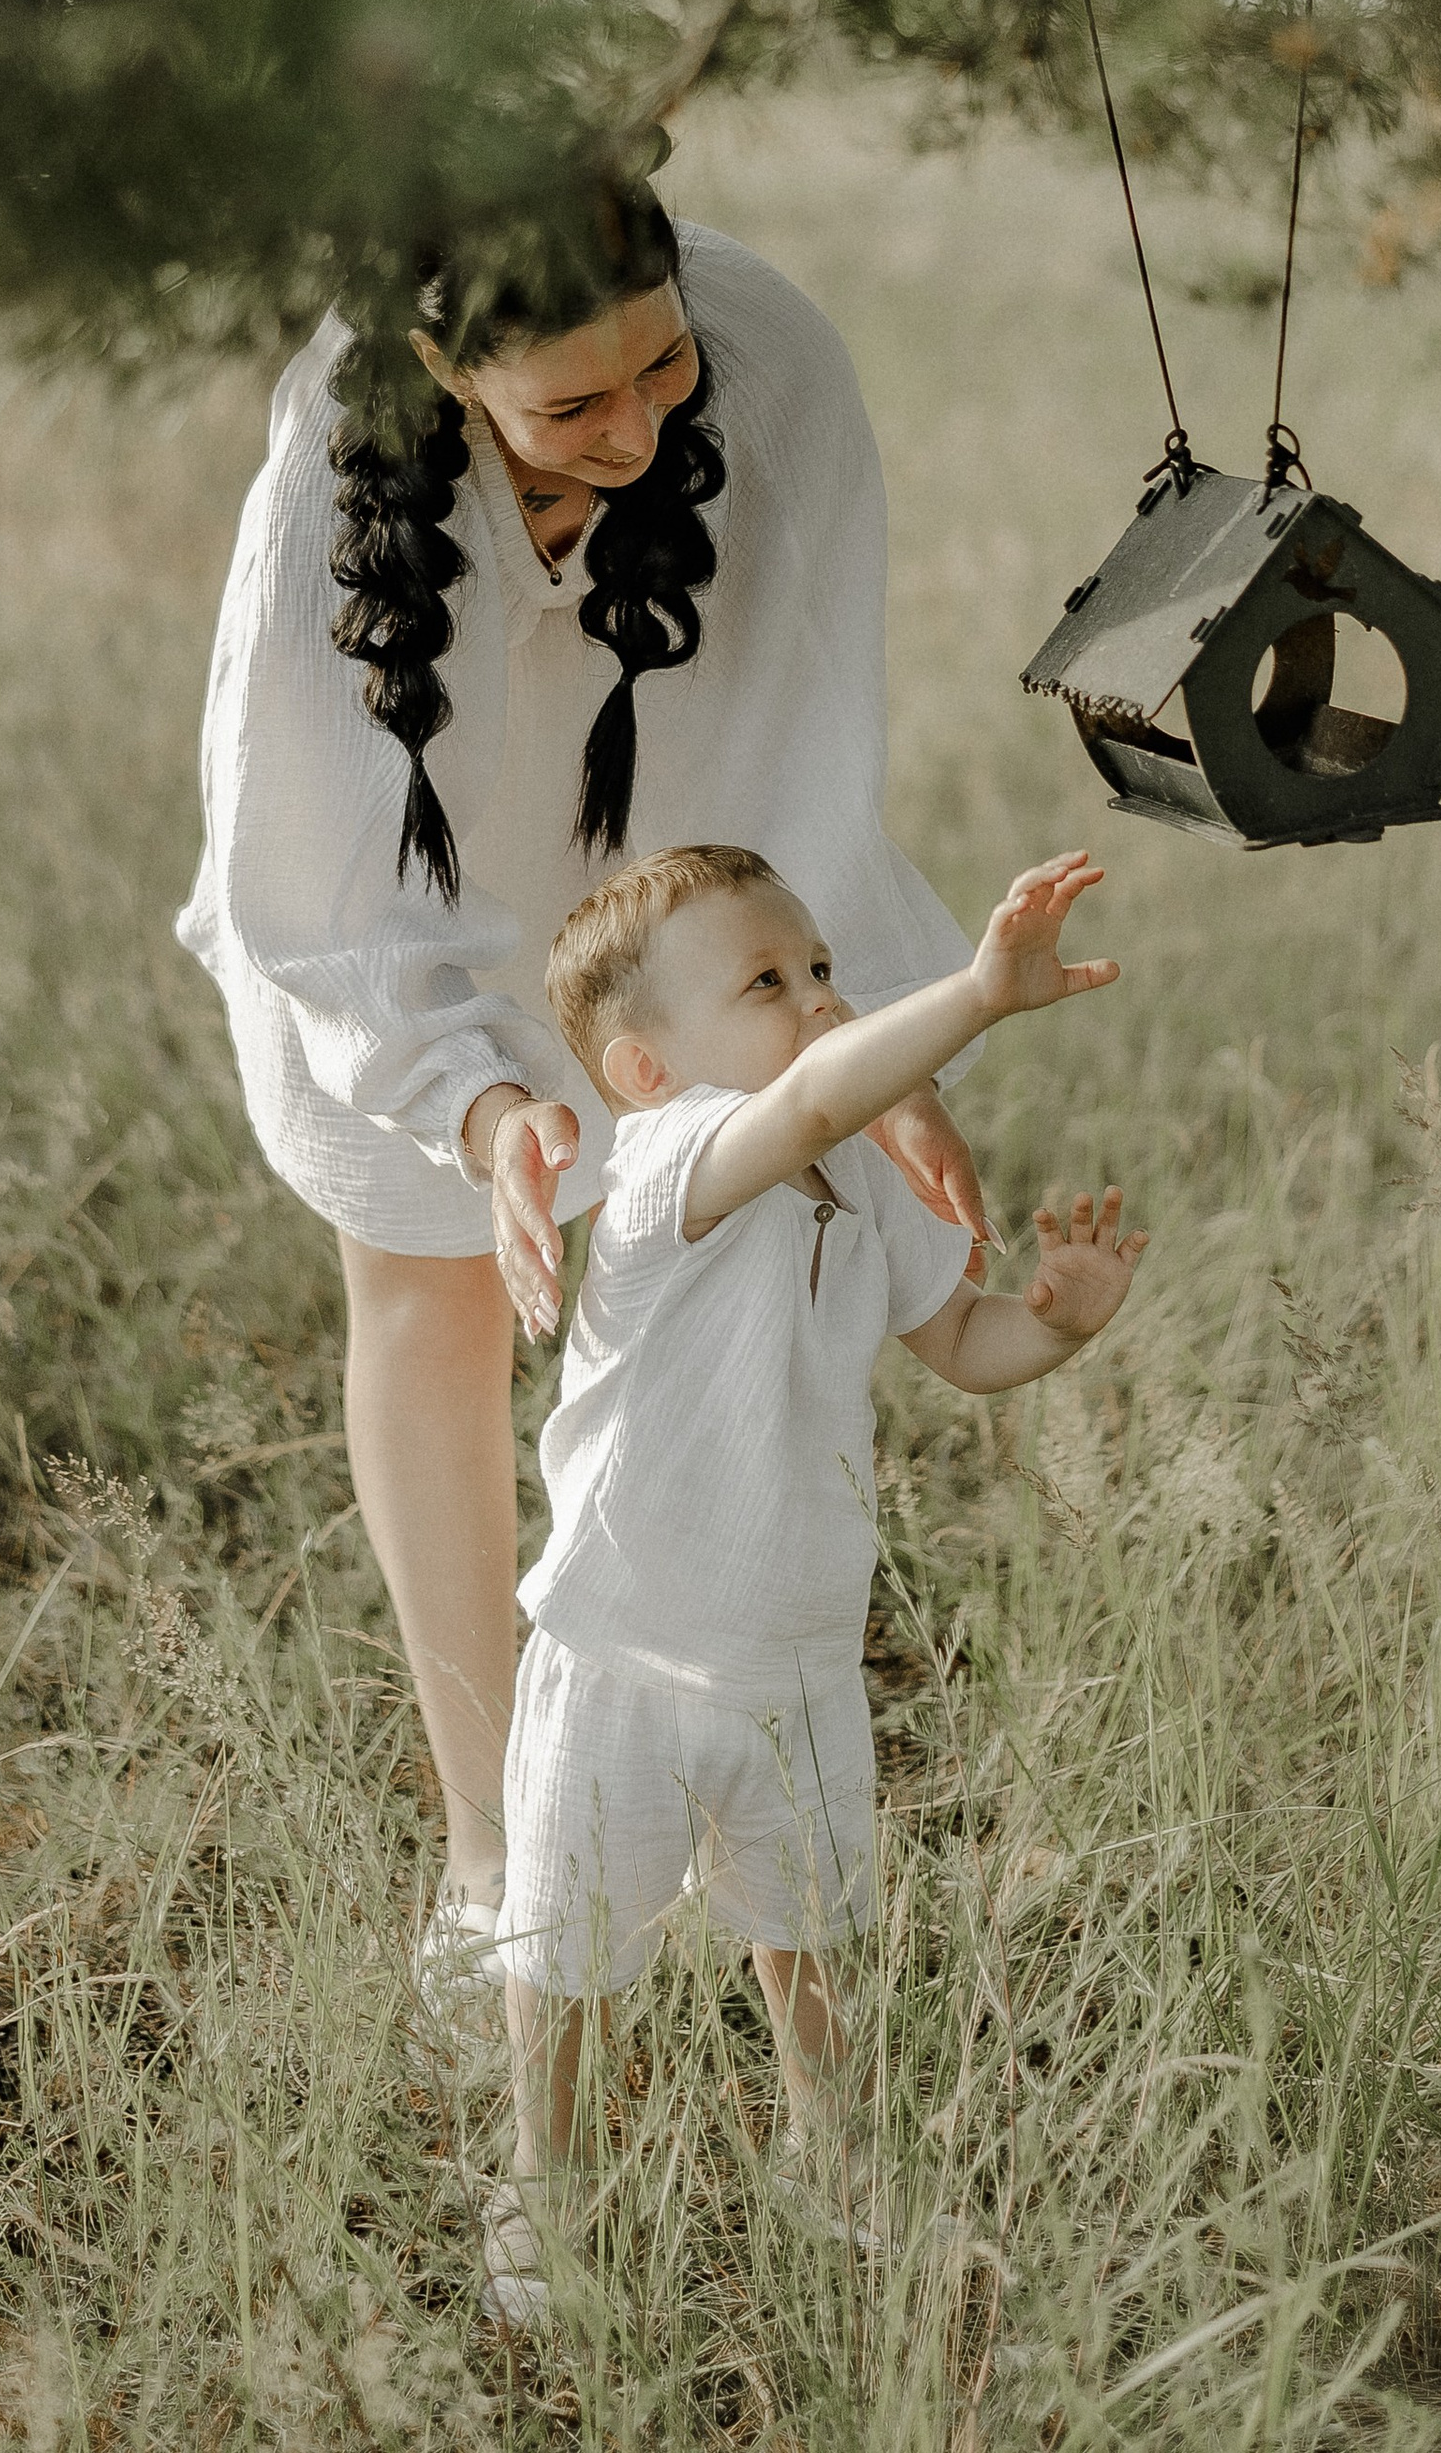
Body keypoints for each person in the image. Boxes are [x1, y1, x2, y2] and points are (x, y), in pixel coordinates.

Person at [176, 177, 986, 1958]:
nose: (637, 431)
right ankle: (499, 1855)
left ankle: (702, 1769)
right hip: (407, 876)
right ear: (444, 370)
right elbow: (316, 866)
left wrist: (852, 1042)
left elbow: (803, 759)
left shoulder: (772, 370)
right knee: (434, 1289)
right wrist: (481, 1106)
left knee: (714, 1276)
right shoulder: (339, 447)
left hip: (676, 854)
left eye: (662, 368)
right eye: (572, 404)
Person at [484, 839, 1142, 2322]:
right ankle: (545, 2182)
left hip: (797, 1656)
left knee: (816, 1938)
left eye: (825, 968)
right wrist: (976, 994)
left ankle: (833, 2162)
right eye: (768, 982)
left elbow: (959, 1344)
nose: (821, 999)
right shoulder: (668, 1167)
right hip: (622, 1652)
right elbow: (814, 1100)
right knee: (568, 1950)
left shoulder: (864, 1178)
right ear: (646, 1070)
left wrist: (1056, 1327)